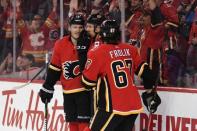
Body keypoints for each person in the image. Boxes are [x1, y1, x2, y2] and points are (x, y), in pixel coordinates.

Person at [81, 19, 161, 131]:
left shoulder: (96, 52)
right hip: (133, 106)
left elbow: (87, 83)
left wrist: (83, 62)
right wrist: (150, 93)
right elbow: (148, 74)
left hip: (112, 107)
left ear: (102, 34)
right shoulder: (131, 49)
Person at [39, 13, 91, 131]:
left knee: (84, 125)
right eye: (75, 27)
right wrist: (48, 87)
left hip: (85, 92)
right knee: (72, 124)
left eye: (80, 27)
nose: (77, 30)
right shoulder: (60, 44)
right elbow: (55, 68)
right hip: (68, 93)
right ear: (69, 28)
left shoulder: (89, 42)